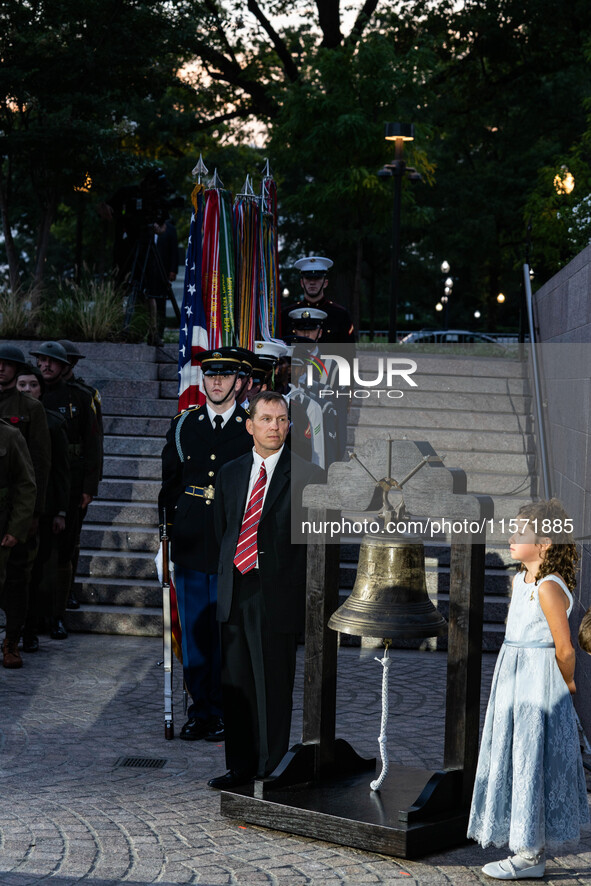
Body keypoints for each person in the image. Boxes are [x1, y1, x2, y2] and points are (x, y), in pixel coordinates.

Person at [467, 498, 589, 880]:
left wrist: (567, 682)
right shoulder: (522, 580)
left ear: (545, 543)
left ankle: (529, 853)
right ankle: (523, 844)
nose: (511, 535)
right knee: (515, 754)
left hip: (537, 681)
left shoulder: (549, 588)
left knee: (530, 759)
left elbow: (564, 646)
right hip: (514, 677)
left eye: (521, 532)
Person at [208, 391, 321, 789]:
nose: (275, 427)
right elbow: (224, 531)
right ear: (250, 424)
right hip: (236, 590)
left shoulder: (308, 476)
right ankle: (239, 767)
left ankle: (271, 768)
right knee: (237, 684)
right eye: (267, 419)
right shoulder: (231, 472)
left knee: (272, 684)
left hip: (278, 596)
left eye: (282, 419)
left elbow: (317, 547)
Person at [159, 348, 252, 742]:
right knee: (196, 632)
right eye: (209, 375)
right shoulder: (184, 426)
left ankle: (227, 711)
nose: (215, 382)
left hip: (233, 541)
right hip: (192, 539)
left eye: (224, 375)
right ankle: (201, 710)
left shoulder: (252, 426)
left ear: (239, 382)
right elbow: (169, 487)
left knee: (227, 632)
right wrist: (164, 537)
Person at [29, 341, 101, 639]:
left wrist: (88, 486)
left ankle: (57, 614)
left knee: (63, 551)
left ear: (65, 366)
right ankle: (34, 616)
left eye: (52, 362)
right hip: (34, 486)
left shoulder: (81, 398)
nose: (45, 366)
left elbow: (93, 443)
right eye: (41, 361)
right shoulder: (31, 392)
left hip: (69, 484)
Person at [0, 343, 51, 660]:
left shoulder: (30, 408)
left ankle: (12, 641)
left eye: (7, 365)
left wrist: (35, 514)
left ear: (18, 370)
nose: (0, 369)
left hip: (14, 510)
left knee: (16, 580)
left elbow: (40, 465)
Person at [16, 365, 70, 651]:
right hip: (12, 509)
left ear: (41, 389)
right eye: (22, 385)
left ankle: (31, 627)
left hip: (44, 509)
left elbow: (61, 470)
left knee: (37, 572)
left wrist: (60, 511)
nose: (27, 390)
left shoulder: (52, 422)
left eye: (32, 385)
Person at [58, 340, 104, 609]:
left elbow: (95, 443)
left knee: (71, 540)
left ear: (72, 364)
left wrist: (90, 485)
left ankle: (67, 589)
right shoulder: (40, 389)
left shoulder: (86, 394)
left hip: (76, 479)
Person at [0, 419, 37, 668]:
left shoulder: (9, 435)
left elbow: (26, 484)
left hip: (3, 524)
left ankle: (11, 641)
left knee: (12, 586)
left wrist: (16, 528)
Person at [281, 255, 355, 343]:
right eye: (308, 278)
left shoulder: (340, 315)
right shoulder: (287, 315)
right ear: (301, 282)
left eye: (317, 278)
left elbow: (348, 352)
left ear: (325, 283)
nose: (312, 282)